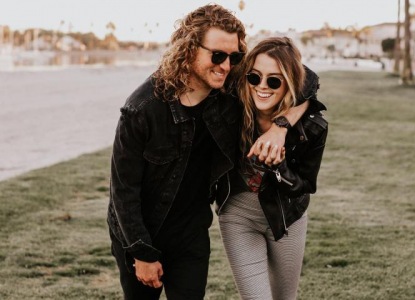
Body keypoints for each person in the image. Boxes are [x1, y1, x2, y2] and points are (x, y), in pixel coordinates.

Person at [107, 5, 312, 299]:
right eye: (217, 56)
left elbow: (308, 83)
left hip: (190, 235)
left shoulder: (228, 92)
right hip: (139, 233)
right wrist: (141, 253)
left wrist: (280, 127)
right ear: (189, 50)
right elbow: (123, 191)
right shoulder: (142, 109)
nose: (226, 66)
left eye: (235, 57)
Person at [217, 37, 328, 300]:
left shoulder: (312, 127)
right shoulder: (233, 105)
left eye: (274, 80)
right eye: (254, 77)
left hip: (288, 218)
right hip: (237, 216)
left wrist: (279, 165)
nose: (262, 87)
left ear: (289, 84)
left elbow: (305, 186)